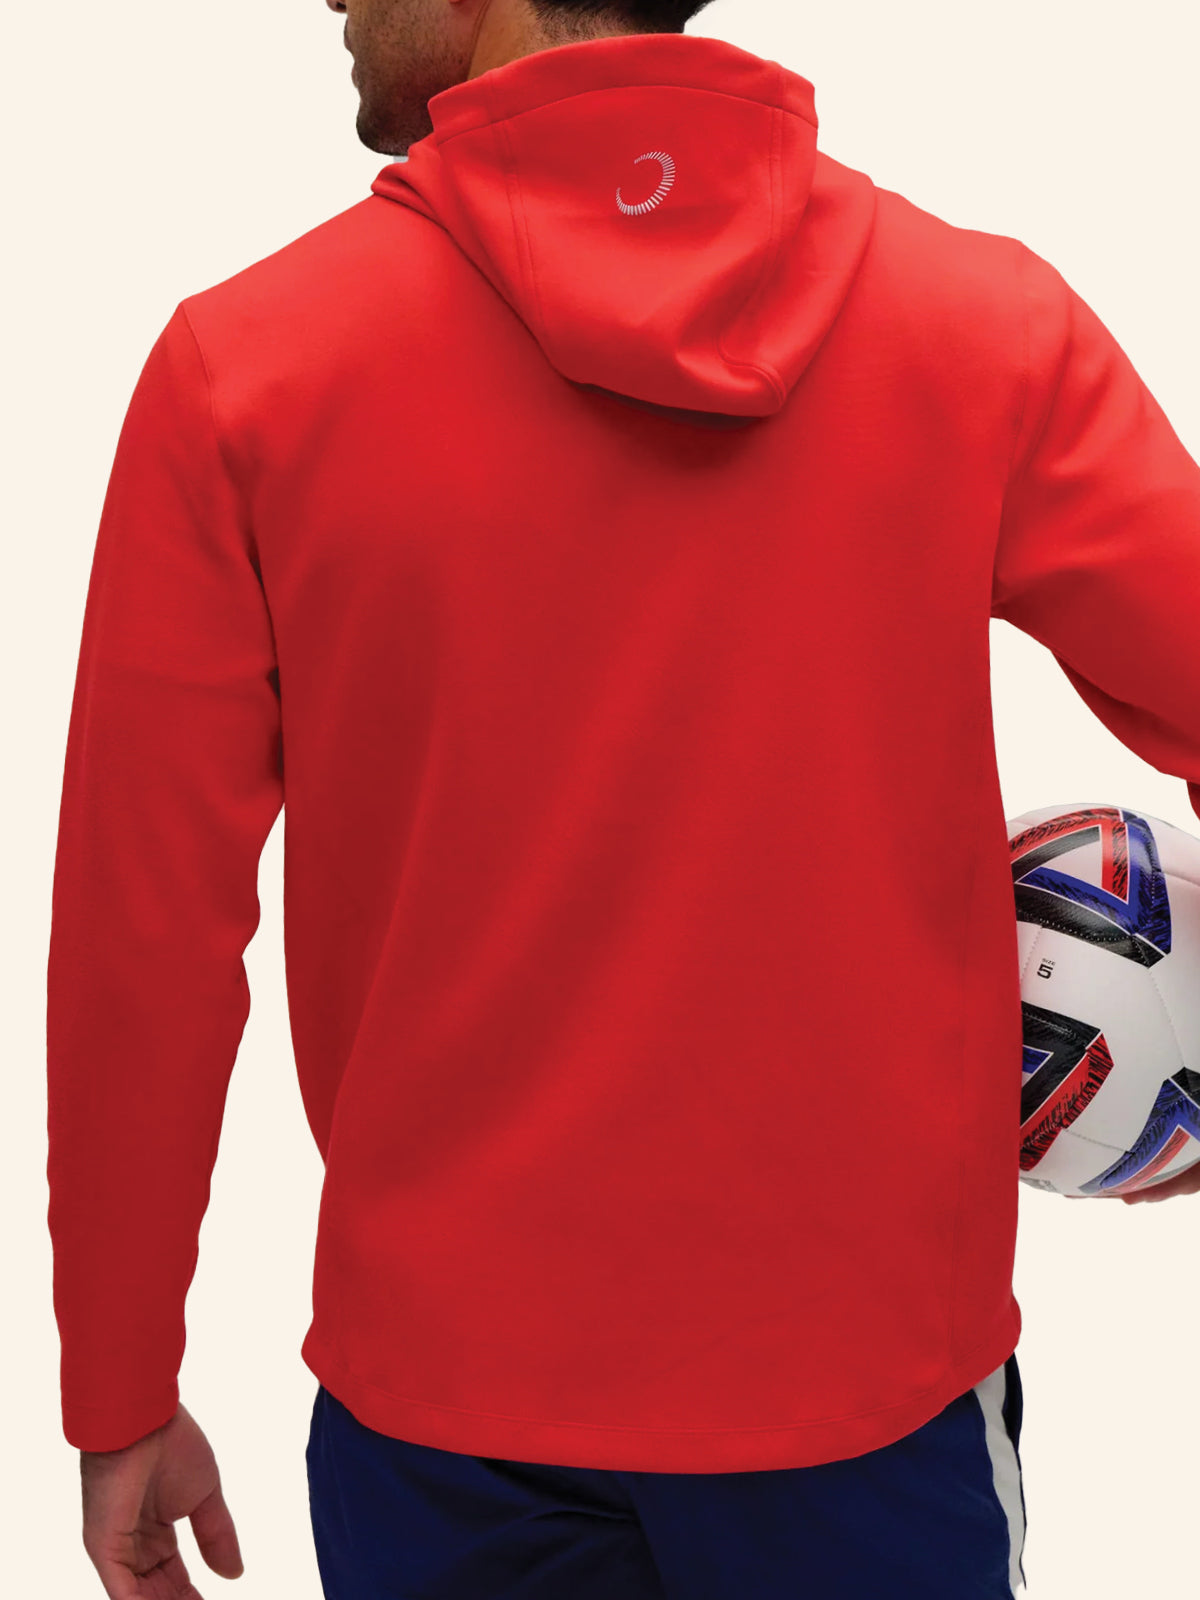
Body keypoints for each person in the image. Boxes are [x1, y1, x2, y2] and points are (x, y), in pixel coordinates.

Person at [45, 0, 1200, 1595]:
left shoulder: (247, 371)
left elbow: (143, 936)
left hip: (443, 1419)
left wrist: (118, 1387)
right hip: (866, 1400)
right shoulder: (977, 323)